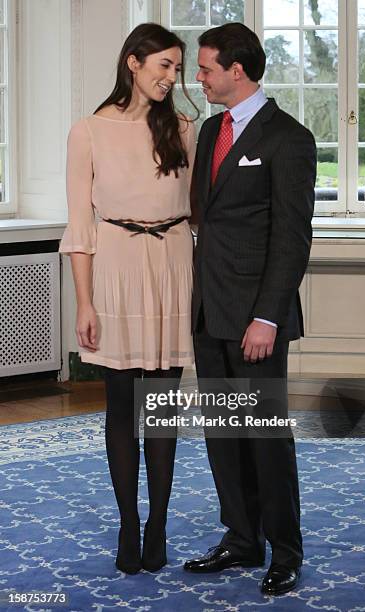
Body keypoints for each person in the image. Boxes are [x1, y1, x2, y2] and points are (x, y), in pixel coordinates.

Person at [184, 23, 316, 596]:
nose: (199, 77)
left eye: (207, 67)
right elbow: (204, 218)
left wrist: (266, 316)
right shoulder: (212, 129)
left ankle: (285, 551)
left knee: (265, 438)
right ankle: (241, 538)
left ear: (237, 70)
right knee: (223, 433)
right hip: (208, 313)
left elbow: (292, 239)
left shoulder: (290, 139)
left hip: (255, 320)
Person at [59, 23, 197, 575]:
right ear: (133, 62)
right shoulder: (87, 131)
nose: (172, 77)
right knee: (122, 406)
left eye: (179, 68)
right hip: (115, 265)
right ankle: (128, 521)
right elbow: (79, 228)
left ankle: (159, 523)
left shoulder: (183, 128)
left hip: (171, 265)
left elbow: (201, 213)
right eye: (164, 65)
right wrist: (84, 304)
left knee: (161, 408)